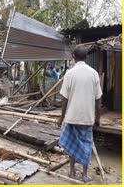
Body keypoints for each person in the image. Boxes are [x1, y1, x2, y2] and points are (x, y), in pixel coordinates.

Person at [58, 45, 102, 182]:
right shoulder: (94, 73)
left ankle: (72, 171)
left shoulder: (70, 73)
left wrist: (61, 117)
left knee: (72, 143)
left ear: (73, 57)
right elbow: (98, 98)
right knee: (86, 144)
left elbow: (64, 99)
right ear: (86, 57)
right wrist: (98, 118)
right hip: (87, 117)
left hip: (72, 116)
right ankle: (84, 174)